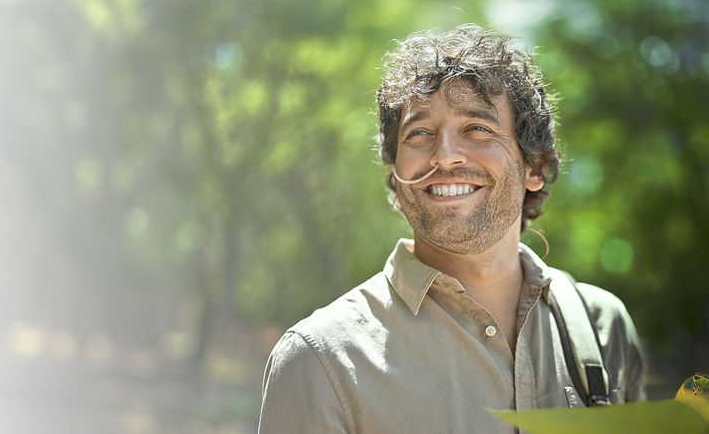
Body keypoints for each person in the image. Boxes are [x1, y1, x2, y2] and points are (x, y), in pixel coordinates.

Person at [257, 24, 646, 433]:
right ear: (395, 172)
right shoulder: (318, 362)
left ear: (535, 166)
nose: (444, 156)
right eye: (419, 134)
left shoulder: (604, 327)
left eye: (477, 129)